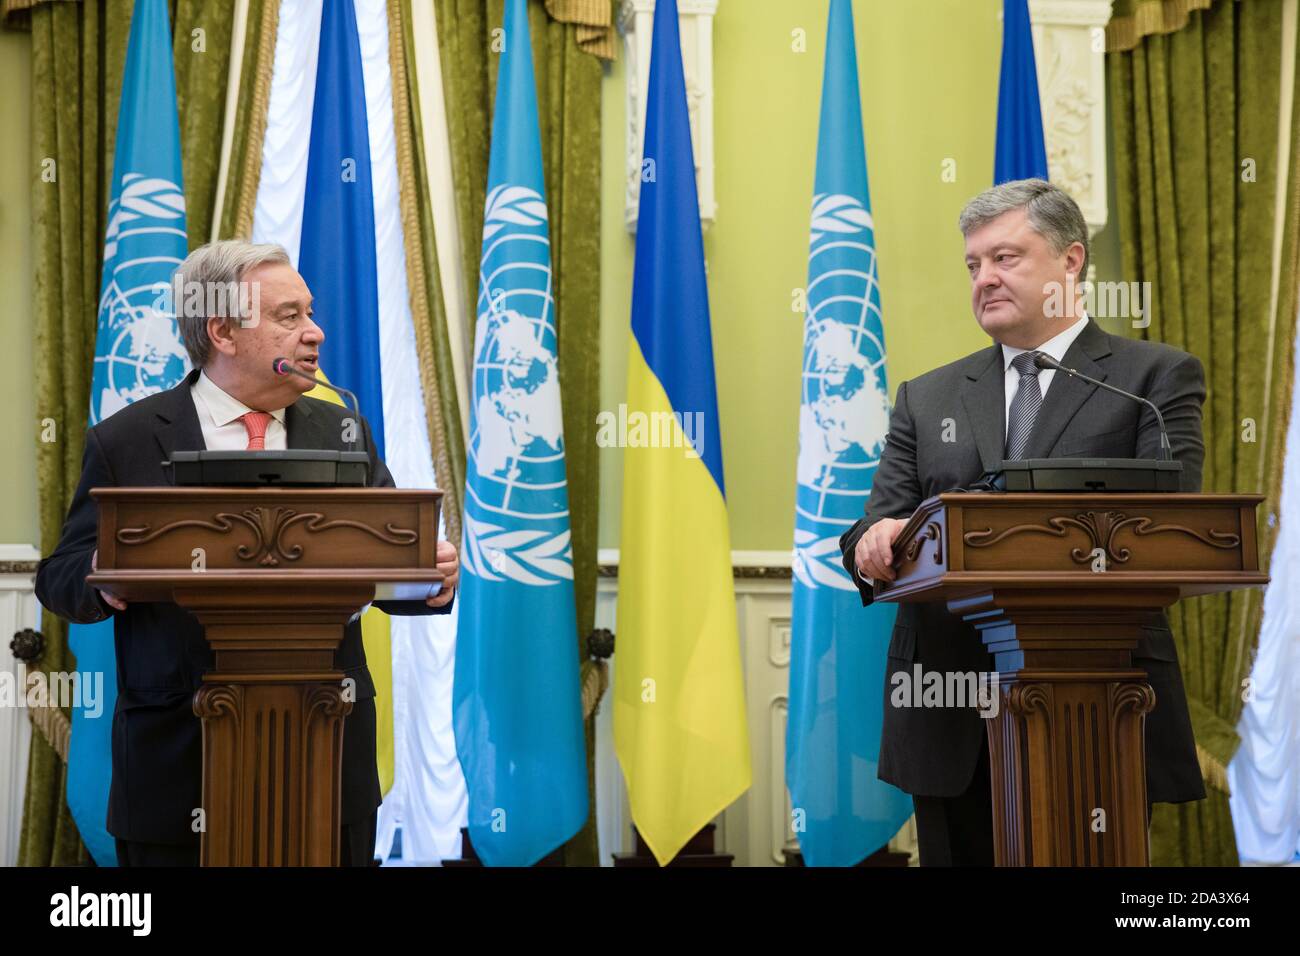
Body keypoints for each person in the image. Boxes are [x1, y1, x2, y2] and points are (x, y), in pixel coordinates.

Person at [35, 239, 460, 867]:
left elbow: (392, 559)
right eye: (290, 317)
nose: (315, 333)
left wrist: (433, 575)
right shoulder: (127, 438)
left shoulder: (343, 429)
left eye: (310, 313)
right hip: (178, 758)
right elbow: (59, 574)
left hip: (328, 746)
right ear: (223, 332)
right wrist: (102, 578)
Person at [840, 179, 1206, 866]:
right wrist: (872, 544)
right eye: (974, 265)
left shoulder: (1152, 379)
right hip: (948, 704)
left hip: (1104, 701)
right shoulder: (928, 396)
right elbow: (873, 527)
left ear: (1070, 262)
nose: (985, 278)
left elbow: (1172, 522)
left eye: (1005, 258)